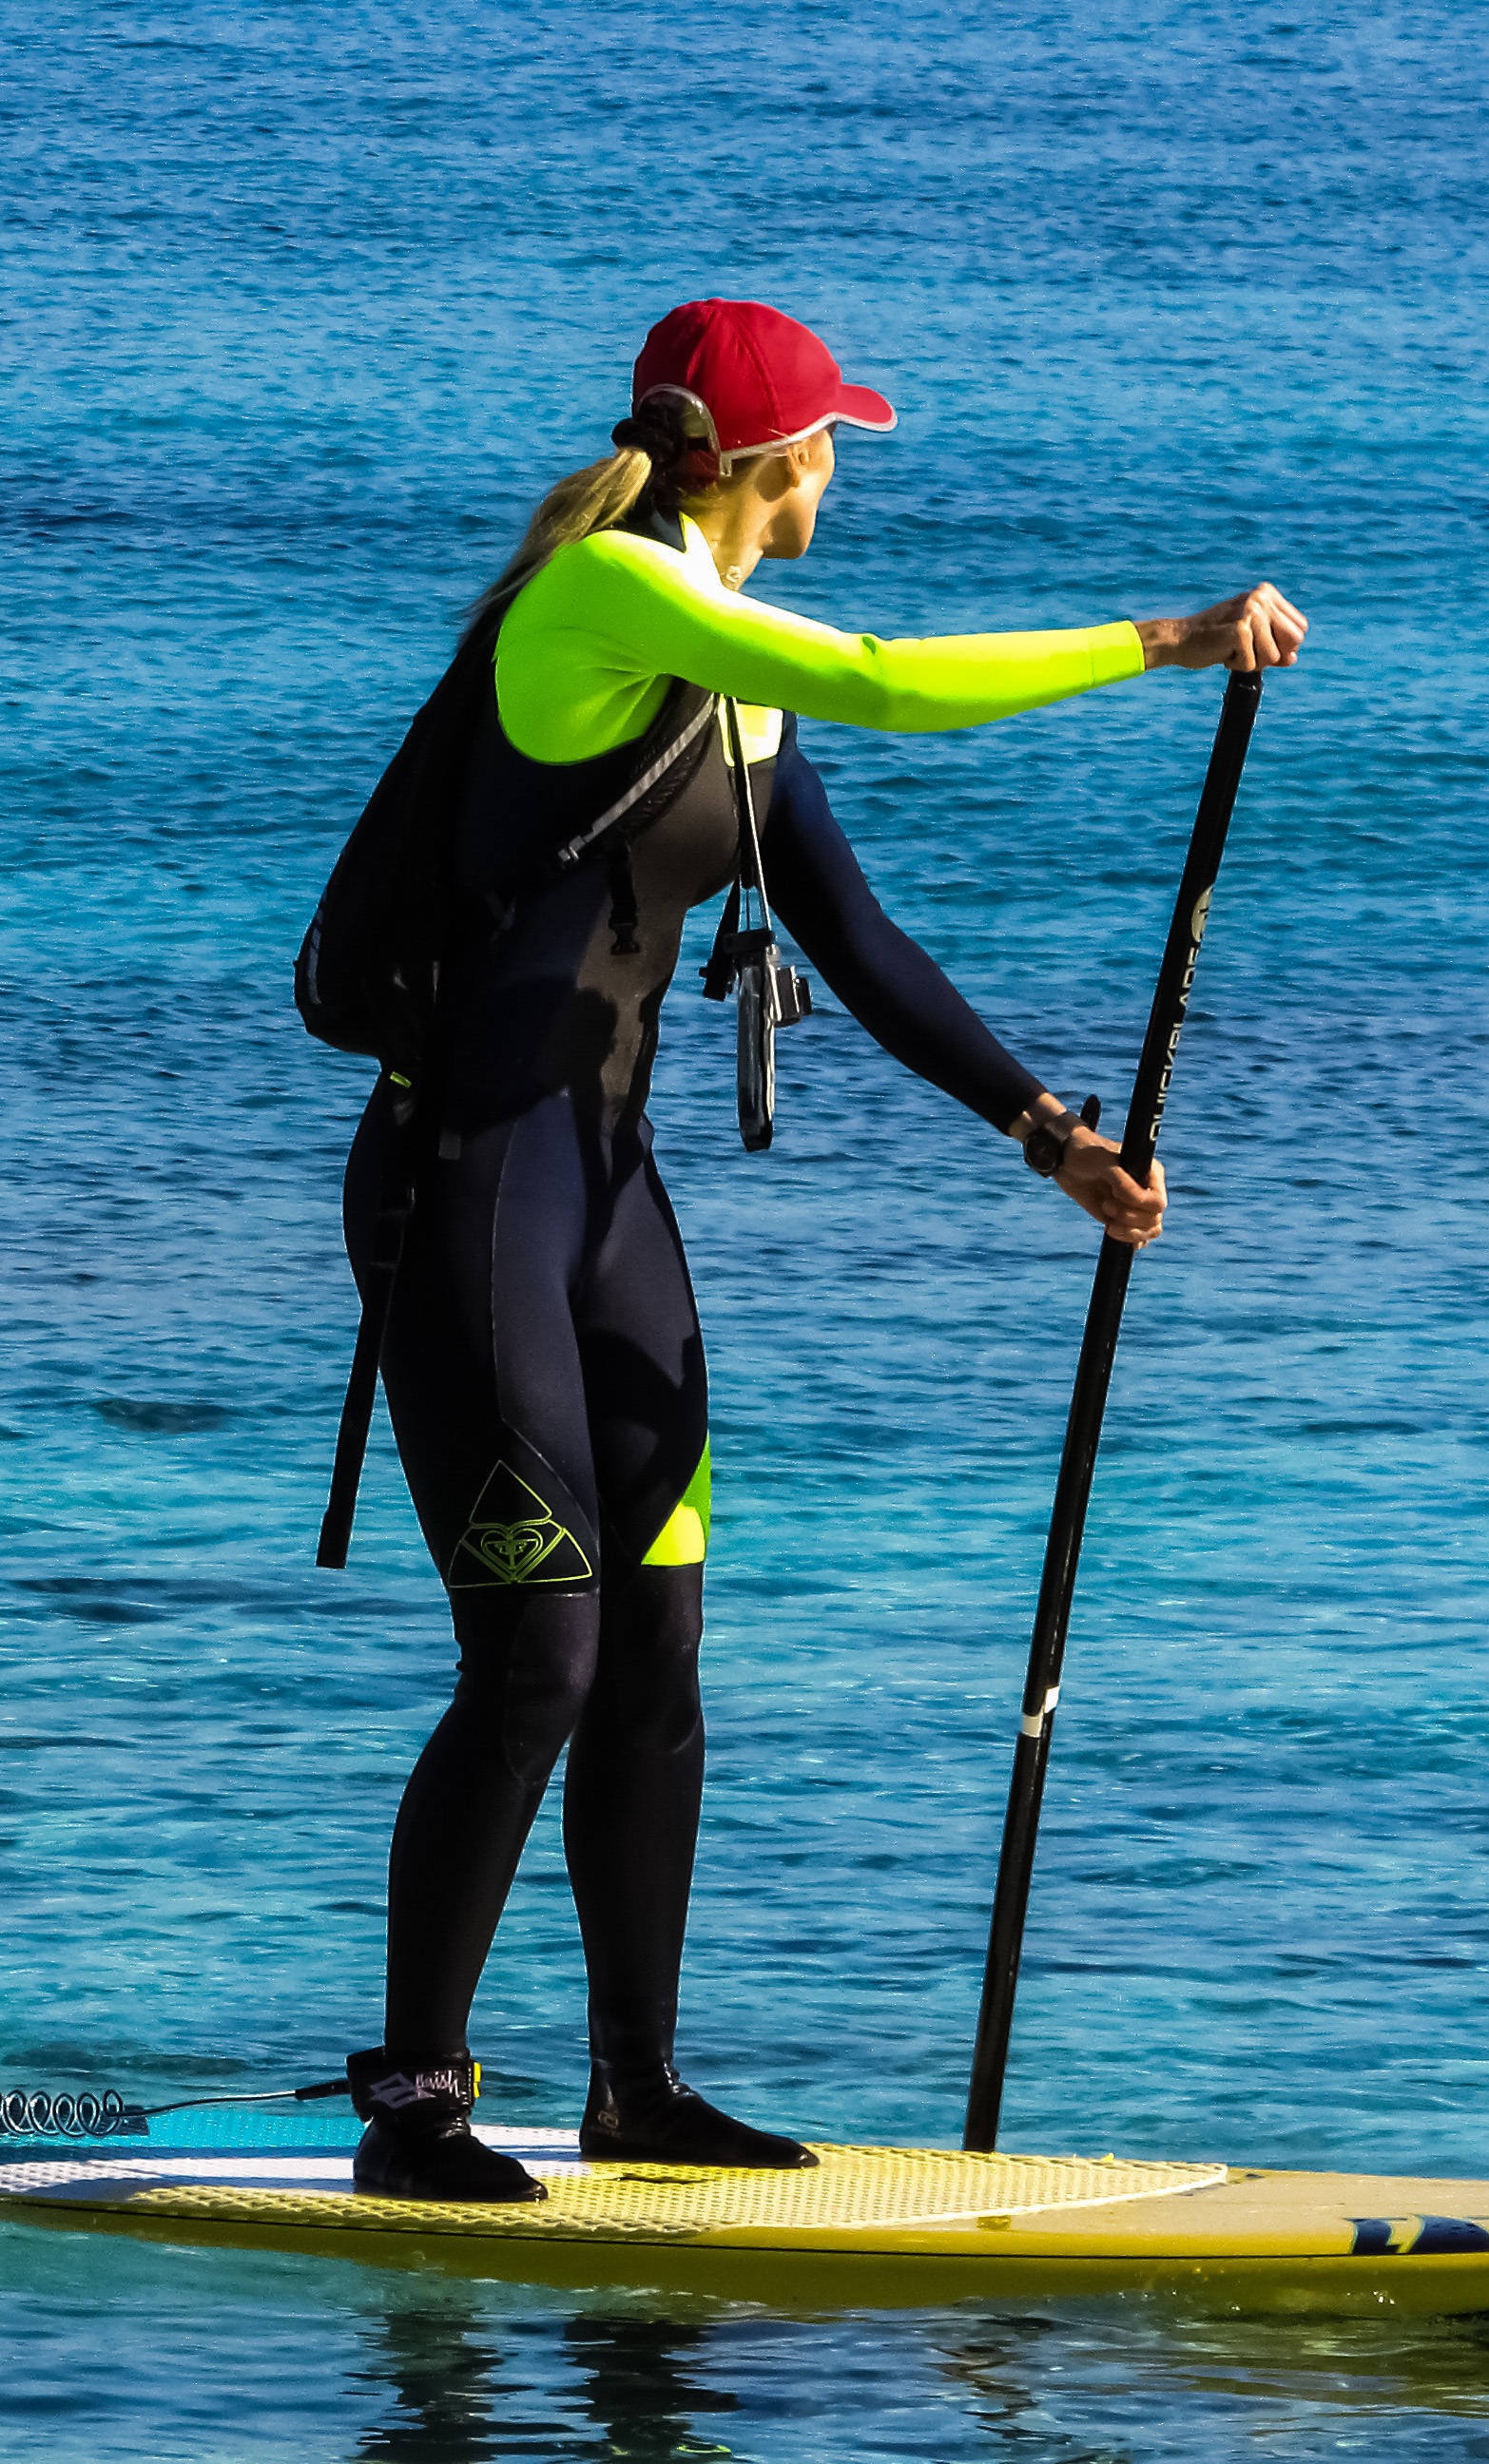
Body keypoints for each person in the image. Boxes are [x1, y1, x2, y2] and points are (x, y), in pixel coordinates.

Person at [341, 298, 1305, 2203]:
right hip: (468, 1194)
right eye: (830, 440)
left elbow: (854, 941)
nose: (843, 467)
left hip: (606, 1199)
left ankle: (636, 2089)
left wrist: (1047, 1133)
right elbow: (884, 673)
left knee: (661, 1653)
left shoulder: (737, 675)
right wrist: (1168, 641)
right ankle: (415, 2108)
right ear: (757, 464)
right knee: (537, 1655)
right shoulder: (615, 597)